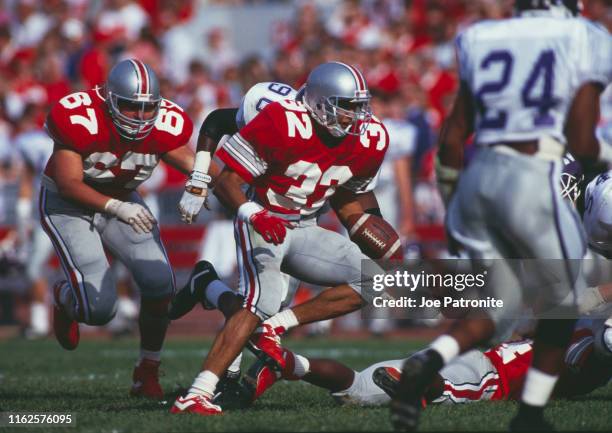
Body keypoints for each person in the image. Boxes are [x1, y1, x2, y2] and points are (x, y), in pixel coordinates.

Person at [391, 1, 612, 430]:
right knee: (560, 307)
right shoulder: (584, 38)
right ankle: (529, 414)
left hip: (478, 179)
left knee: (499, 309)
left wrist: (455, 201)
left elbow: (453, 139)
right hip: (534, 175)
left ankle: (430, 359)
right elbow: (582, 141)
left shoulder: (479, 37)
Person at [171, 62, 393, 415]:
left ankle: (267, 324)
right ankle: (196, 394)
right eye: (346, 106)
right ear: (319, 103)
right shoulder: (281, 120)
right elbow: (228, 180)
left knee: (374, 280)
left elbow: (350, 195)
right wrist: (252, 213)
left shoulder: (371, 138)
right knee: (262, 300)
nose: (355, 116)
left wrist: (369, 224)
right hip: (264, 217)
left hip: (306, 225)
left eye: (359, 106)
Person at [41, 58, 194, 399]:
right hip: (69, 206)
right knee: (99, 310)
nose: (140, 117)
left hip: (123, 199)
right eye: (130, 106)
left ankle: (147, 371)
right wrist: (116, 207)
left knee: (160, 284)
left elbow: (193, 162)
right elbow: (68, 184)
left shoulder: (166, 123)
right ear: (110, 100)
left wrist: (202, 183)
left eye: (147, 108)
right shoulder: (80, 117)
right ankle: (64, 297)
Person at [237, 318, 611, 408]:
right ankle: (412, 383)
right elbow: (594, 354)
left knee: (360, 390)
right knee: (446, 388)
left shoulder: (571, 325)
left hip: (474, 354)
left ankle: (289, 363)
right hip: (489, 373)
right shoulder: (583, 342)